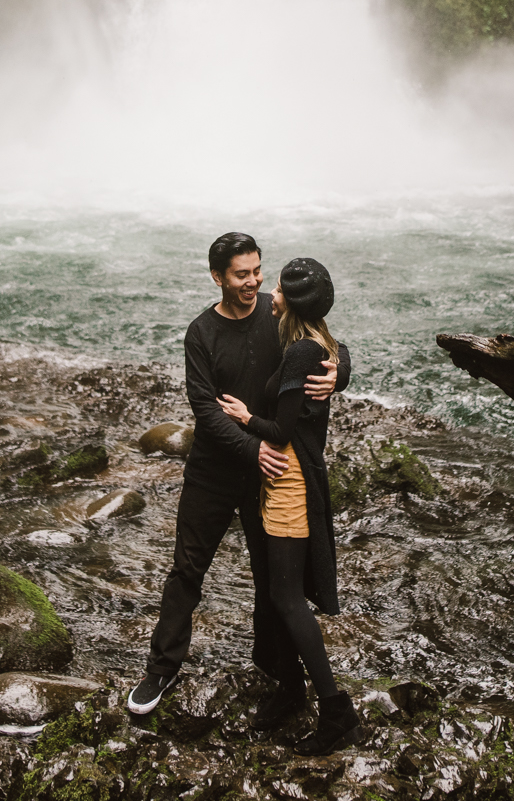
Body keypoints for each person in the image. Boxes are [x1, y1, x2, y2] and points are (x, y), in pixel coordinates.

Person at [128, 232, 341, 721]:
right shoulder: (201, 333)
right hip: (217, 468)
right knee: (187, 569)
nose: (254, 282)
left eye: (257, 271)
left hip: (268, 473)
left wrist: (339, 372)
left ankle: (274, 667)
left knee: (273, 581)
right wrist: (254, 447)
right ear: (217, 277)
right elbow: (205, 409)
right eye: (242, 274)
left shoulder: (277, 311)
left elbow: (327, 344)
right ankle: (162, 667)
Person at [216, 256, 359, 754]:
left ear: (291, 300)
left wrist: (244, 415)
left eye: (275, 286)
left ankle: (336, 708)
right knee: (282, 594)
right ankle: (292, 690)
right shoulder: (314, 341)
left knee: (286, 597)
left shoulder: (301, 352)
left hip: (290, 480)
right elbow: (337, 354)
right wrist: (341, 369)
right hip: (288, 475)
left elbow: (282, 431)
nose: (269, 292)